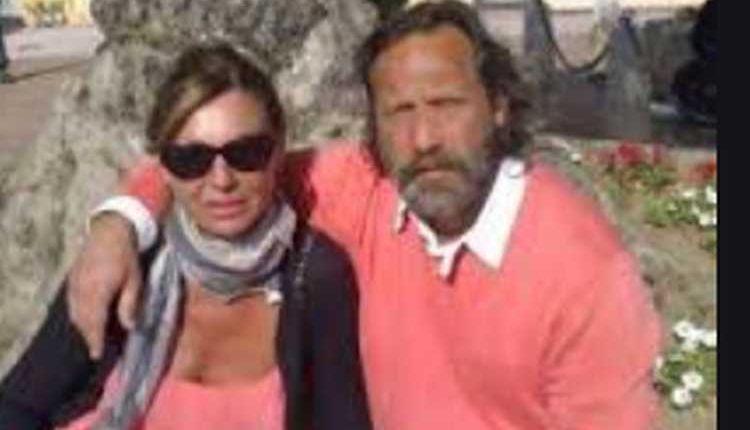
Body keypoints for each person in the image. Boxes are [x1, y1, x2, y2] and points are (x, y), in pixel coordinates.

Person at [62, 2, 663, 429]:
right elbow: (221, 163)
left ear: (499, 106)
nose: (423, 139)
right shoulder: (372, 192)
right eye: (399, 112)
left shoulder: (585, 277)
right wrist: (120, 221)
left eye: (446, 104)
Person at [0, 43, 372, 430]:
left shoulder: (317, 278)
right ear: (163, 167)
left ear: (278, 152)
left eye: (246, 153)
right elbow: (19, 405)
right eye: (191, 159)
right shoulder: (123, 261)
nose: (221, 180)